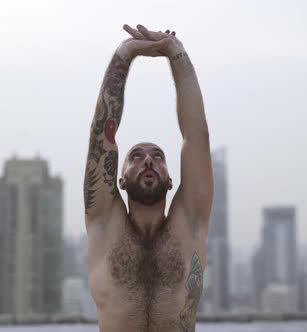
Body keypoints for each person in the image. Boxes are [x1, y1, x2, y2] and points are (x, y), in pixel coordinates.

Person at [83, 24, 213, 332]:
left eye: (158, 156)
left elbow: (197, 138)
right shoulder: (104, 223)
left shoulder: (190, 222)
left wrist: (176, 53)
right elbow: (103, 137)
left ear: (171, 180)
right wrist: (125, 54)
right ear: (121, 179)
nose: (148, 161)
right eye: (136, 157)